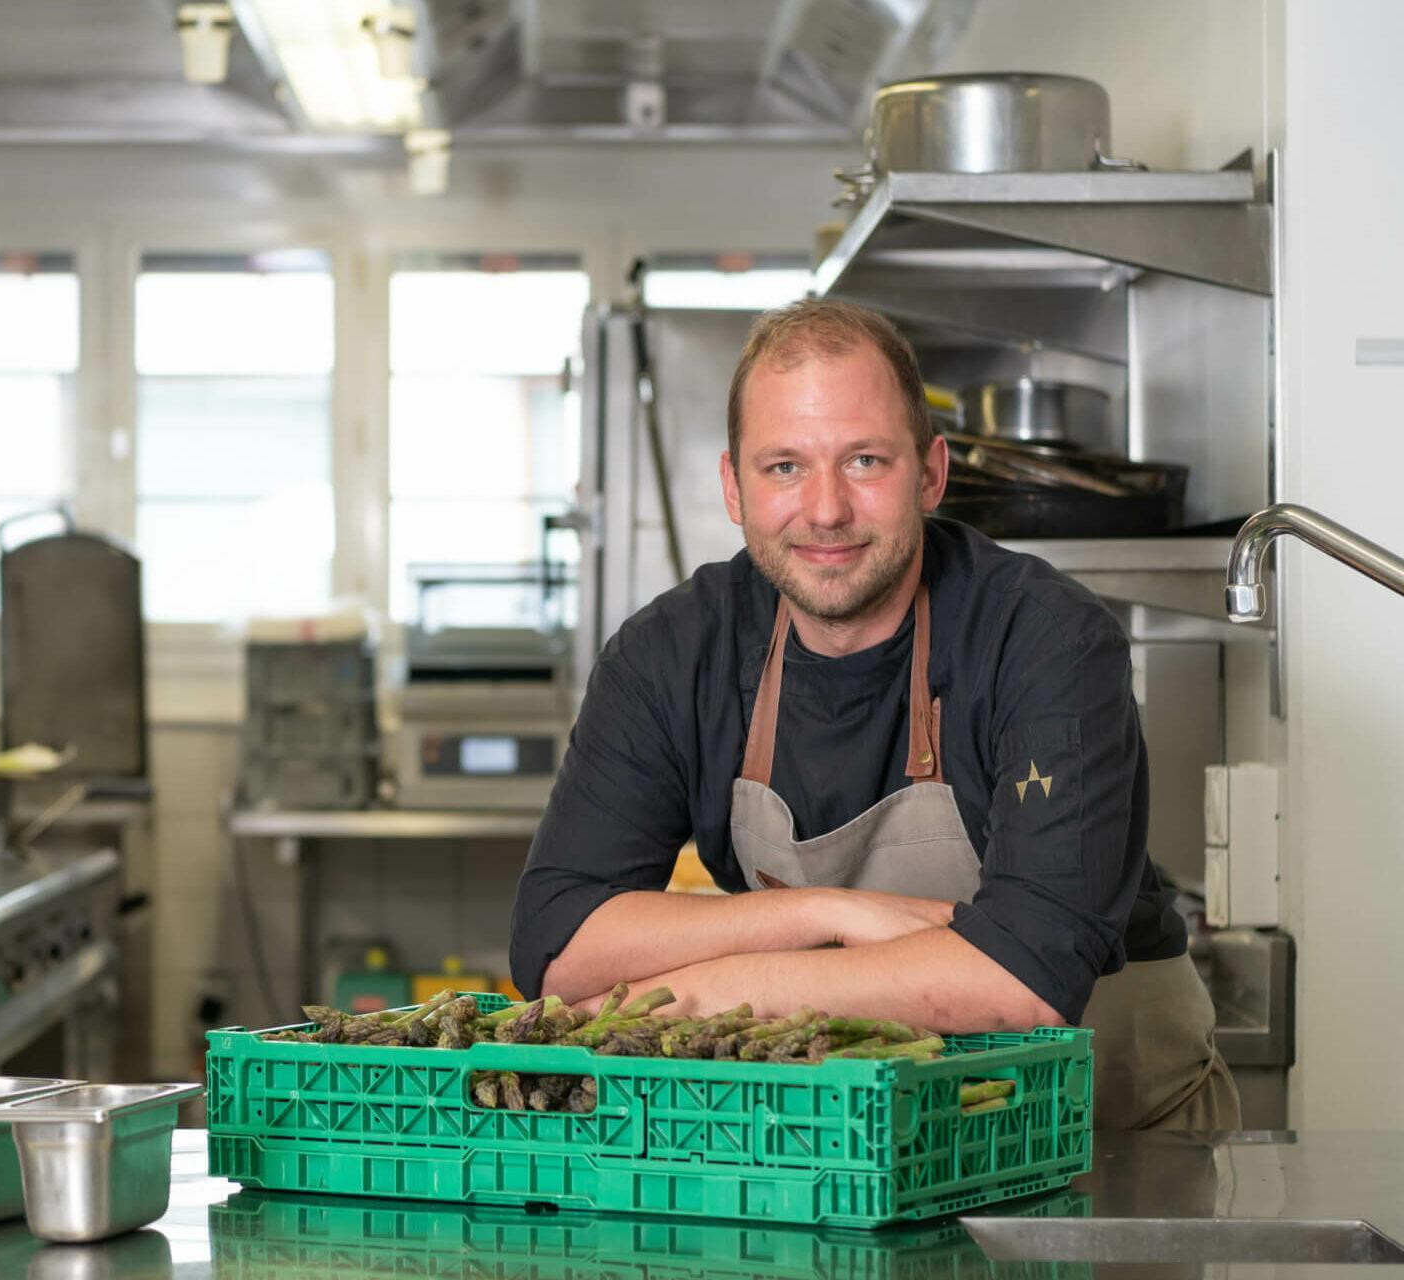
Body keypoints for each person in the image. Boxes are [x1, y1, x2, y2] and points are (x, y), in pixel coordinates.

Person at [509, 298, 1236, 1130]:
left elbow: (1025, 979)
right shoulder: (671, 655)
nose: (825, 510)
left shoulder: (1046, 640)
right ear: (734, 487)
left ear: (930, 473)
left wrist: (717, 988)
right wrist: (825, 913)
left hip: (1111, 1134)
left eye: (864, 461)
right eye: (784, 466)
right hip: (839, 1138)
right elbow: (555, 945)